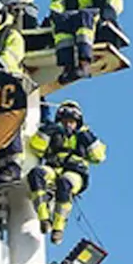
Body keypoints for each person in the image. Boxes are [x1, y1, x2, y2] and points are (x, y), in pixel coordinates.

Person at [27, 101, 106, 244]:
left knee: (64, 183)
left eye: (72, 121)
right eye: (65, 121)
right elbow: (36, 148)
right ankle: (44, 218)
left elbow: (99, 157)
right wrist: (46, 132)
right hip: (54, 169)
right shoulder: (53, 132)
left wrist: (87, 137)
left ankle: (58, 228)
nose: (68, 125)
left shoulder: (84, 136)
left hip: (75, 174)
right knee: (36, 174)